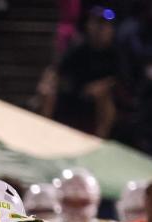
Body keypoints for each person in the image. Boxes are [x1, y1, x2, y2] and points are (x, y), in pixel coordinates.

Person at [42, 6, 122, 138]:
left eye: (103, 25)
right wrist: (47, 82)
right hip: (75, 95)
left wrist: (102, 85)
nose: (99, 29)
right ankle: (44, 133)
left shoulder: (116, 53)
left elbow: (121, 79)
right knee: (48, 91)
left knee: (103, 96)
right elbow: (56, 69)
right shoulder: (79, 49)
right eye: (96, 23)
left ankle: (99, 142)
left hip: (103, 101)